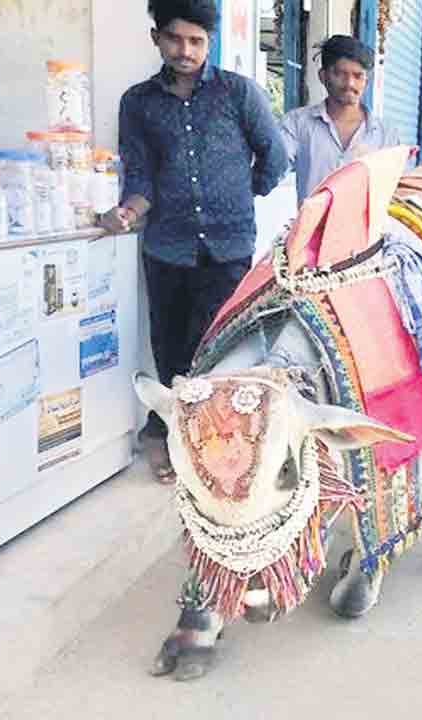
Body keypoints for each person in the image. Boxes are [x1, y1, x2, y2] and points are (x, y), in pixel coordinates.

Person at [99, 0, 288, 483]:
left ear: (210, 42)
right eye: (175, 39)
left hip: (228, 248)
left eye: (196, 41)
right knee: (170, 350)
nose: (186, 51)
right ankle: (170, 437)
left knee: (219, 353)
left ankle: (212, 445)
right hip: (167, 247)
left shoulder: (238, 94)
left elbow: (274, 158)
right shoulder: (137, 103)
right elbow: (140, 175)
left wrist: (239, 192)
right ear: (156, 39)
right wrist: (127, 212)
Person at [280, 35, 402, 207]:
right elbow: (273, 167)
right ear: (323, 76)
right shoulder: (297, 124)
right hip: (313, 232)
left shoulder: (386, 134)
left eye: (358, 76)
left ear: (366, 81)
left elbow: (397, 191)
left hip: (367, 234)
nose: (349, 84)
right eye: (340, 74)